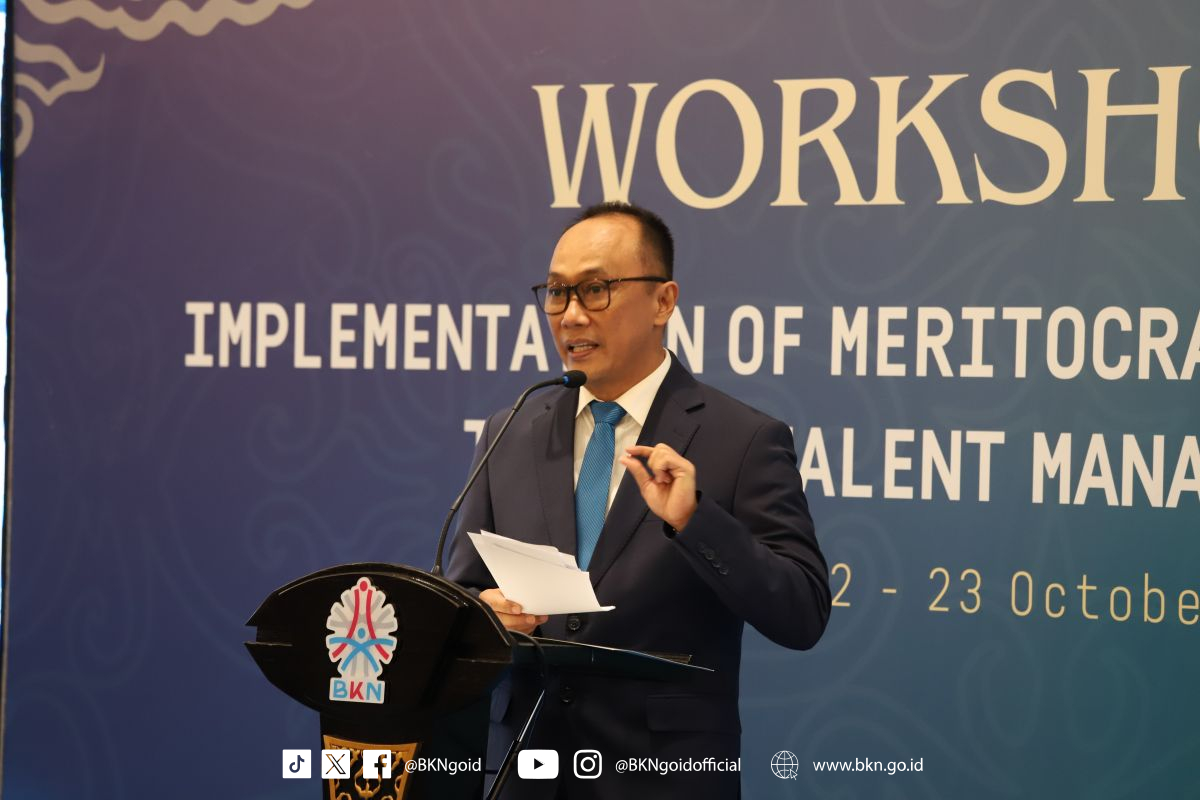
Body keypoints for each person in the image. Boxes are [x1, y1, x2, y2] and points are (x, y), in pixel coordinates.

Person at [445, 201, 830, 799]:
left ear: (663, 301)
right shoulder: (511, 429)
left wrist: (697, 521)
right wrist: (487, 615)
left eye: (596, 289)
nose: (571, 315)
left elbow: (802, 613)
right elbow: (461, 596)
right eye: (557, 292)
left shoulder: (742, 439)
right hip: (525, 775)